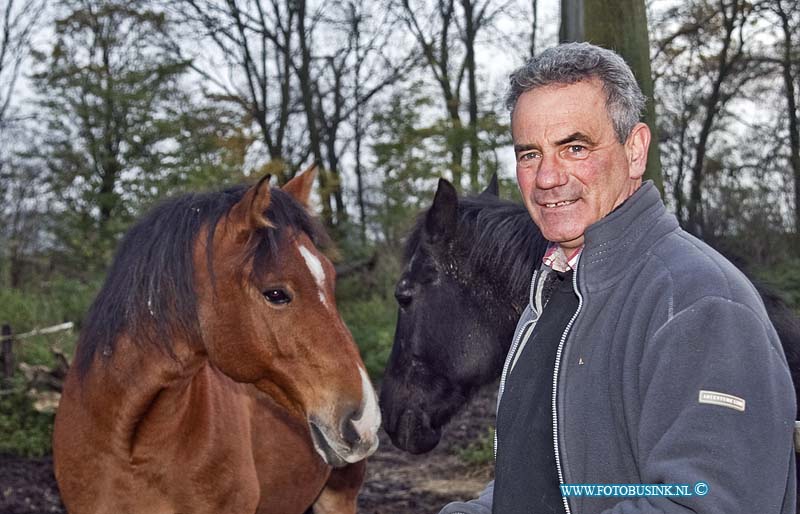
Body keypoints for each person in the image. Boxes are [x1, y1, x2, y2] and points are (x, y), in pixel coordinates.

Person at [438, 42, 796, 514]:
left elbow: (705, 504)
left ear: (635, 150)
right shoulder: (553, 296)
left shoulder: (697, 301)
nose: (547, 176)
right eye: (529, 154)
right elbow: (544, 480)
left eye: (575, 147)